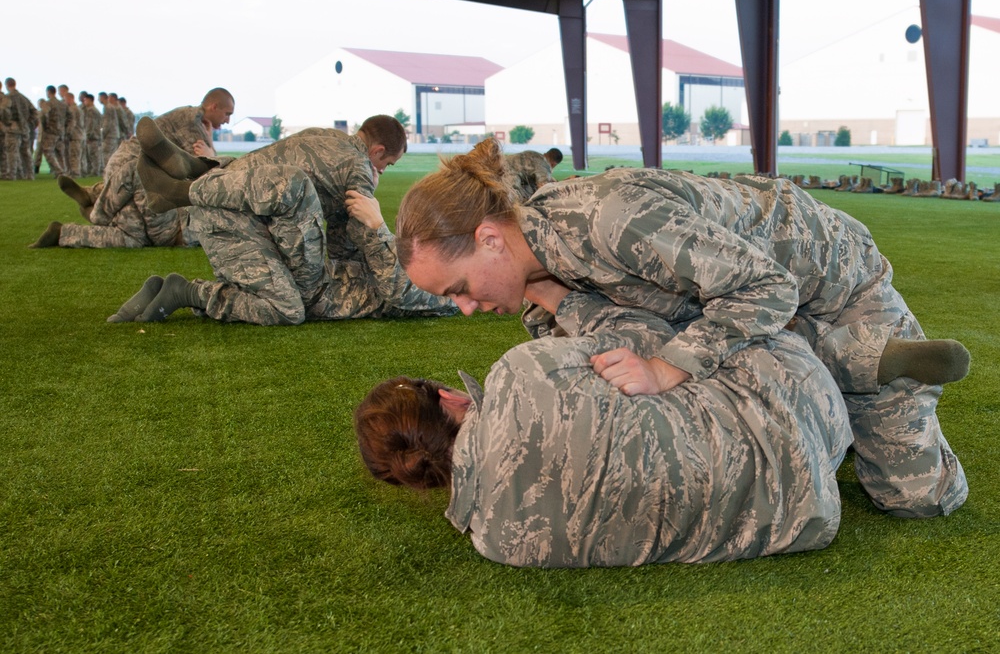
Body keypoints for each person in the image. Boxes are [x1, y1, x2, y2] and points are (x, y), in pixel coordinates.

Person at [393, 138, 971, 520]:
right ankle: (837, 372)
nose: (465, 308)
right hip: (731, 317)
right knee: (707, 371)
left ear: (489, 240)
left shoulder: (610, 217)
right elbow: (623, 355)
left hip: (830, 288)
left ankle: (873, 367)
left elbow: (766, 288)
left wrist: (668, 368)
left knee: (916, 499)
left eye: (459, 290)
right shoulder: (540, 295)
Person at [355, 289, 854, 567]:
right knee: (711, 325)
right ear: (448, 396)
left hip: (800, 515)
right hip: (792, 416)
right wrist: (556, 298)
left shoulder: (497, 543)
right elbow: (645, 332)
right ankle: (861, 362)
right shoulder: (518, 374)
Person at [105, 113, 455, 326]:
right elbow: (347, 249)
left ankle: (199, 180)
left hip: (318, 289)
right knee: (297, 184)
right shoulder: (353, 160)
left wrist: (377, 229)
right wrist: (370, 232)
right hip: (312, 272)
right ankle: (200, 176)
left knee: (288, 306)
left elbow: (402, 294)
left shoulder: (451, 293)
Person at [30, 88, 237, 249]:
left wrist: (209, 144)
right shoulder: (192, 122)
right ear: (214, 107)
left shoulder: (195, 121)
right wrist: (210, 148)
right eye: (227, 114)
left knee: (134, 235)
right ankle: (96, 210)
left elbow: (204, 167)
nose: (227, 121)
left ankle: (84, 206)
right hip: (136, 173)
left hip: (142, 182)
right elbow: (205, 169)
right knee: (137, 210)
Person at [5, 78, 38, 179]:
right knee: (26, 152)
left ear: (7, 85)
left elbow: (3, 112)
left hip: (13, 128)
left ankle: (12, 174)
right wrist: (28, 122)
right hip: (25, 128)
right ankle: (30, 174)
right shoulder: (24, 98)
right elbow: (34, 112)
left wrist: (7, 123)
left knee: (12, 152)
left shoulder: (7, 98)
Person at [37, 85, 66, 177]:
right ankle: (63, 171)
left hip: (51, 132)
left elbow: (43, 115)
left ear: (48, 92)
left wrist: (45, 127)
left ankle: (59, 171)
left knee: (48, 151)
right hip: (61, 132)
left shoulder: (48, 103)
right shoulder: (62, 104)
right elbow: (70, 117)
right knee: (59, 153)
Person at [80, 92, 102, 176]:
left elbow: (90, 124)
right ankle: (92, 171)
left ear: (90, 100)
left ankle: (95, 171)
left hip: (93, 136)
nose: (84, 102)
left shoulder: (91, 110)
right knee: (91, 155)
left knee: (93, 155)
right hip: (95, 135)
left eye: (85, 100)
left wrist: (88, 135)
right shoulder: (93, 110)